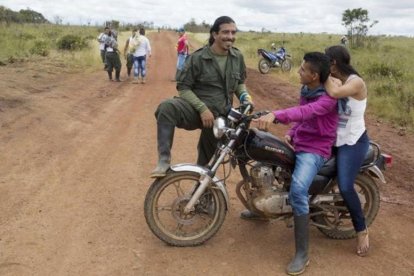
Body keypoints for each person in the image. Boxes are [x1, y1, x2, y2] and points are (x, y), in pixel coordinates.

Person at [248, 52, 338, 275]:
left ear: (314, 75)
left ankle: (302, 254)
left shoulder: (328, 98)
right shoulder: (307, 90)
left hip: (315, 149)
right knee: (266, 161)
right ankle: (261, 209)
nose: (299, 71)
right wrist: (291, 132)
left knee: (298, 191)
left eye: (303, 69)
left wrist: (275, 115)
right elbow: (302, 118)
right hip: (300, 141)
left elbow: (305, 111)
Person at [151, 16, 253, 178]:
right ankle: (164, 160)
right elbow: (183, 87)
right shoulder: (198, 58)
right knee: (166, 108)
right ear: (214, 34)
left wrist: (244, 96)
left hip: (220, 117)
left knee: (206, 164)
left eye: (233, 32)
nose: (230, 36)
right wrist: (202, 109)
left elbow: (239, 82)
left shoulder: (237, 57)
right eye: (225, 32)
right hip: (196, 111)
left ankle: (202, 196)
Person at [324, 45, 370, 257]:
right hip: (334, 138)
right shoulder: (338, 79)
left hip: (353, 141)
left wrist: (320, 73)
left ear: (333, 63)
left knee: (344, 185)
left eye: (325, 61)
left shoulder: (356, 82)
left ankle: (361, 230)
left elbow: (333, 92)